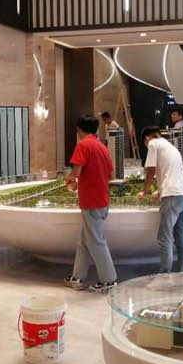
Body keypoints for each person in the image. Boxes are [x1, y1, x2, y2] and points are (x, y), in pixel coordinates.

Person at [63, 115, 118, 293]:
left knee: (96, 241)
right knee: (85, 242)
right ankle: (77, 278)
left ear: (79, 129)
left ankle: (109, 281)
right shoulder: (101, 146)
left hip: (91, 201)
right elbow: (111, 174)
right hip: (102, 200)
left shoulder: (83, 145)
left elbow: (76, 172)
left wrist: (69, 179)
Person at [137, 127, 183, 273]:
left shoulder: (153, 143)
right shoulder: (170, 146)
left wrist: (145, 191)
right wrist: (159, 191)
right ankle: (182, 273)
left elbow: (151, 170)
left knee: (164, 238)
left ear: (147, 138)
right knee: (181, 238)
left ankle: (164, 275)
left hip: (171, 196)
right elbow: (171, 173)